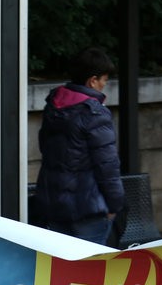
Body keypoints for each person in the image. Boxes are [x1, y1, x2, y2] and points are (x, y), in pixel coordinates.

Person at [34, 46, 124, 245]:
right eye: (104, 81)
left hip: (55, 205)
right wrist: (115, 205)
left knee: (62, 270)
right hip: (88, 209)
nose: (104, 86)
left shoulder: (53, 106)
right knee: (90, 272)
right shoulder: (95, 113)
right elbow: (107, 165)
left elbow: (45, 149)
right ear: (93, 80)